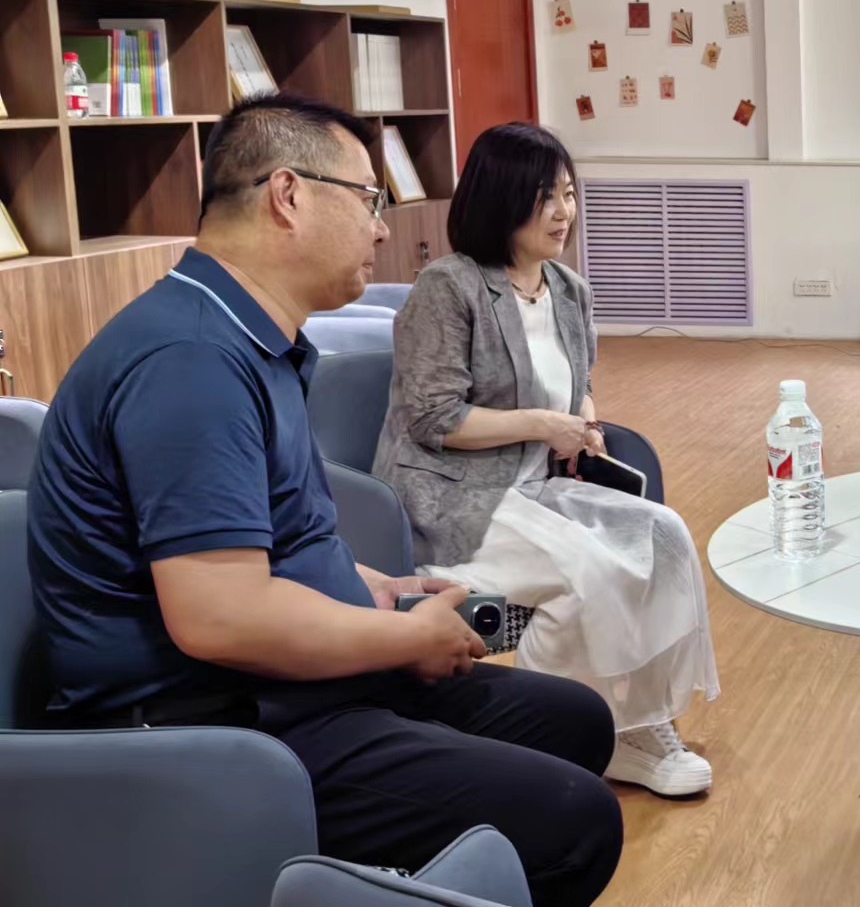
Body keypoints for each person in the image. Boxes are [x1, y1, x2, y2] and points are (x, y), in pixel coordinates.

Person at [27, 94, 621, 907]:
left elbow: (270, 537)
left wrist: (372, 585)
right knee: (573, 817)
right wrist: (402, 636)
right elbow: (218, 617)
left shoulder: (243, 337)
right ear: (288, 195)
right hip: (215, 720)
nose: (381, 229)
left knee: (576, 721)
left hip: (282, 678)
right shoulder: (190, 360)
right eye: (368, 199)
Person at [374, 121, 718, 799]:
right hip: (458, 495)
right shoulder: (449, 287)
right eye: (545, 198)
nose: (565, 212)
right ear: (502, 201)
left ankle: (640, 719)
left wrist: (583, 421)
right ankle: (579, 735)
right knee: (589, 569)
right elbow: (434, 418)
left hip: (539, 484)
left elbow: (578, 384)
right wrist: (544, 424)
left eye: (568, 193)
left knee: (666, 536)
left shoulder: (568, 289)